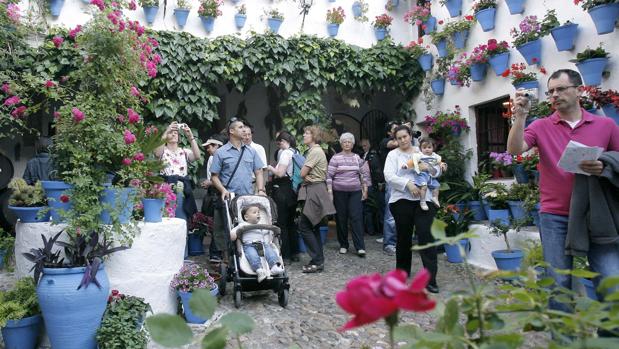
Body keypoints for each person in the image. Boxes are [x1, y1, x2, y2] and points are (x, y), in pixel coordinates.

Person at [507, 68, 619, 310]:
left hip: (597, 213)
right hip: (555, 215)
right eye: (550, 92)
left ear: (579, 90)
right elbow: (515, 150)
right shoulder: (541, 126)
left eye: (560, 89)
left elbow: (618, 160)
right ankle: (563, 343)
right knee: (558, 283)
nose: (554, 95)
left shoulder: (606, 125)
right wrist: (520, 116)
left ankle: (610, 338)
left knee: (612, 283)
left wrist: (604, 167)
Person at [384, 125, 442, 293]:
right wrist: (407, 184)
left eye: (405, 136)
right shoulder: (392, 155)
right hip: (401, 200)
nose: (403, 140)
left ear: (410, 136)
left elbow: (437, 167)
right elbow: (389, 176)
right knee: (403, 237)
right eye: (399, 138)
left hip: (424, 199)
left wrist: (429, 168)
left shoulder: (422, 150)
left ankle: (431, 279)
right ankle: (401, 274)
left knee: (426, 236)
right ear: (396, 140)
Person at [210, 118, 266, 262]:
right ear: (232, 131)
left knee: (247, 228)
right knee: (226, 229)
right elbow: (214, 177)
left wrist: (260, 190)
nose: (244, 130)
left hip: (247, 198)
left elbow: (259, 171)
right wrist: (223, 190)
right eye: (240, 127)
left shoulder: (251, 151)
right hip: (229, 198)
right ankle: (227, 259)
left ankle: (247, 258)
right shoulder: (221, 152)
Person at [297, 125, 336, 273]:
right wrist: (306, 176)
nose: (304, 136)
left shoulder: (315, 151)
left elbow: (302, 173)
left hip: (315, 190)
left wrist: (305, 175)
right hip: (316, 189)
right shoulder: (316, 151)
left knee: (305, 226)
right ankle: (317, 260)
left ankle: (318, 261)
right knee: (312, 227)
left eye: (307, 133)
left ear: (314, 136)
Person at [327, 132, 371, 257]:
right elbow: (329, 176)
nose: (347, 144)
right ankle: (343, 244)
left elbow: (364, 175)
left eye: (349, 142)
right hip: (339, 192)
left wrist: (365, 189)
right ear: (341, 144)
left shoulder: (357, 158)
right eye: (344, 142)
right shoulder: (335, 158)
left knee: (356, 218)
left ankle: (360, 247)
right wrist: (330, 192)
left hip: (355, 192)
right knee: (341, 218)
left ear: (352, 144)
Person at [154, 122, 201, 220]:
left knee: (182, 217)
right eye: (171, 132)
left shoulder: (184, 151)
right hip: (166, 187)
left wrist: (190, 136)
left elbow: (197, 156)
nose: (174, 134)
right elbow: (157, 154)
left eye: (176, 132)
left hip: (182, 187)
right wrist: (167, 130)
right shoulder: (163, 151)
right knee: (167, 218)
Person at [266, 131, 300, 263]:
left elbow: (280, 173)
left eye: (278, 141)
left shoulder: (285, 153)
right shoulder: (295, 151)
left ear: (282, 141)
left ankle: (285, 255)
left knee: (283, 223)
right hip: (293, 189)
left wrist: (270, 167)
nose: (277, 144)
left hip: (283, 189)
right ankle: (295, 252)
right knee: (291, 222)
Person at [230, 204, 284, 282]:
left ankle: (274, 266)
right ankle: (259, 269)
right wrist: (233, 234)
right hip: (249, 245)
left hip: (263, 244)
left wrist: (272, 231)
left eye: (259, 212)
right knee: (252, 255)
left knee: (270, 252)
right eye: (255, 212)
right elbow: (233, 234)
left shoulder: (261, 225)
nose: (258, 214)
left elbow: (269, 234)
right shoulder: (242, 225)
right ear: (246, 217)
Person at [200, 136, 225, 262]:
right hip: (214, 194)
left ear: (217, 146)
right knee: (215, 224)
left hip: (220, 193)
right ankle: (215, 253)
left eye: (209, 146)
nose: (208, 149)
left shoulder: (220, 157)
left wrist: (211, 183)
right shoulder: (211, 158)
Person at [379, 121, 401, 256]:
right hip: (391, 183)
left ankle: (400, 242)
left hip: (405, 183)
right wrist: (406, 133)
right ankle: (389, 243)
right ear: (389, 132)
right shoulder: (385, 141)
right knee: (390, 215)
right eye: (395, 129)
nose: (399, 130)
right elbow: (396, 143)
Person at [404, 138, 441, 210]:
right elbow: (412, 162)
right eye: (424, 147)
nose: (427, 149)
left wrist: (443, 165)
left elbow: (439, 163)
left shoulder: (435, 156)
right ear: (421, 149)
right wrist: (406, 165)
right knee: (424, 187)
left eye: (429, 147)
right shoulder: (419, 156)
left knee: (436, 187)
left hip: (430, 176)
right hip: (422, 175)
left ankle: (435, 198)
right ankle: (422, 201)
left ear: (433, 148)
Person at [360, 138, 383, 236]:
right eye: (362, 146)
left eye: (365, 145)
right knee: (368, 209)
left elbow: (376, 171)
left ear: (369, 145)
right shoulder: (364, 156)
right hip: (366, 185)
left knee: (371, 209)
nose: (363, 147)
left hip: (370, 185)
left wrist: (379, 183)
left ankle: (373, 230)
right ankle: (370, 229)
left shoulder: (372, 155)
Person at [243, 123, 268, 188]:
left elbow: (263, 168)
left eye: (249, 134)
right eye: (245, 135)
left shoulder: (258, 148)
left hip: (255, 183)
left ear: (252, 134)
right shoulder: (237, 149)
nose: (247, 137)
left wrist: (261, 188)